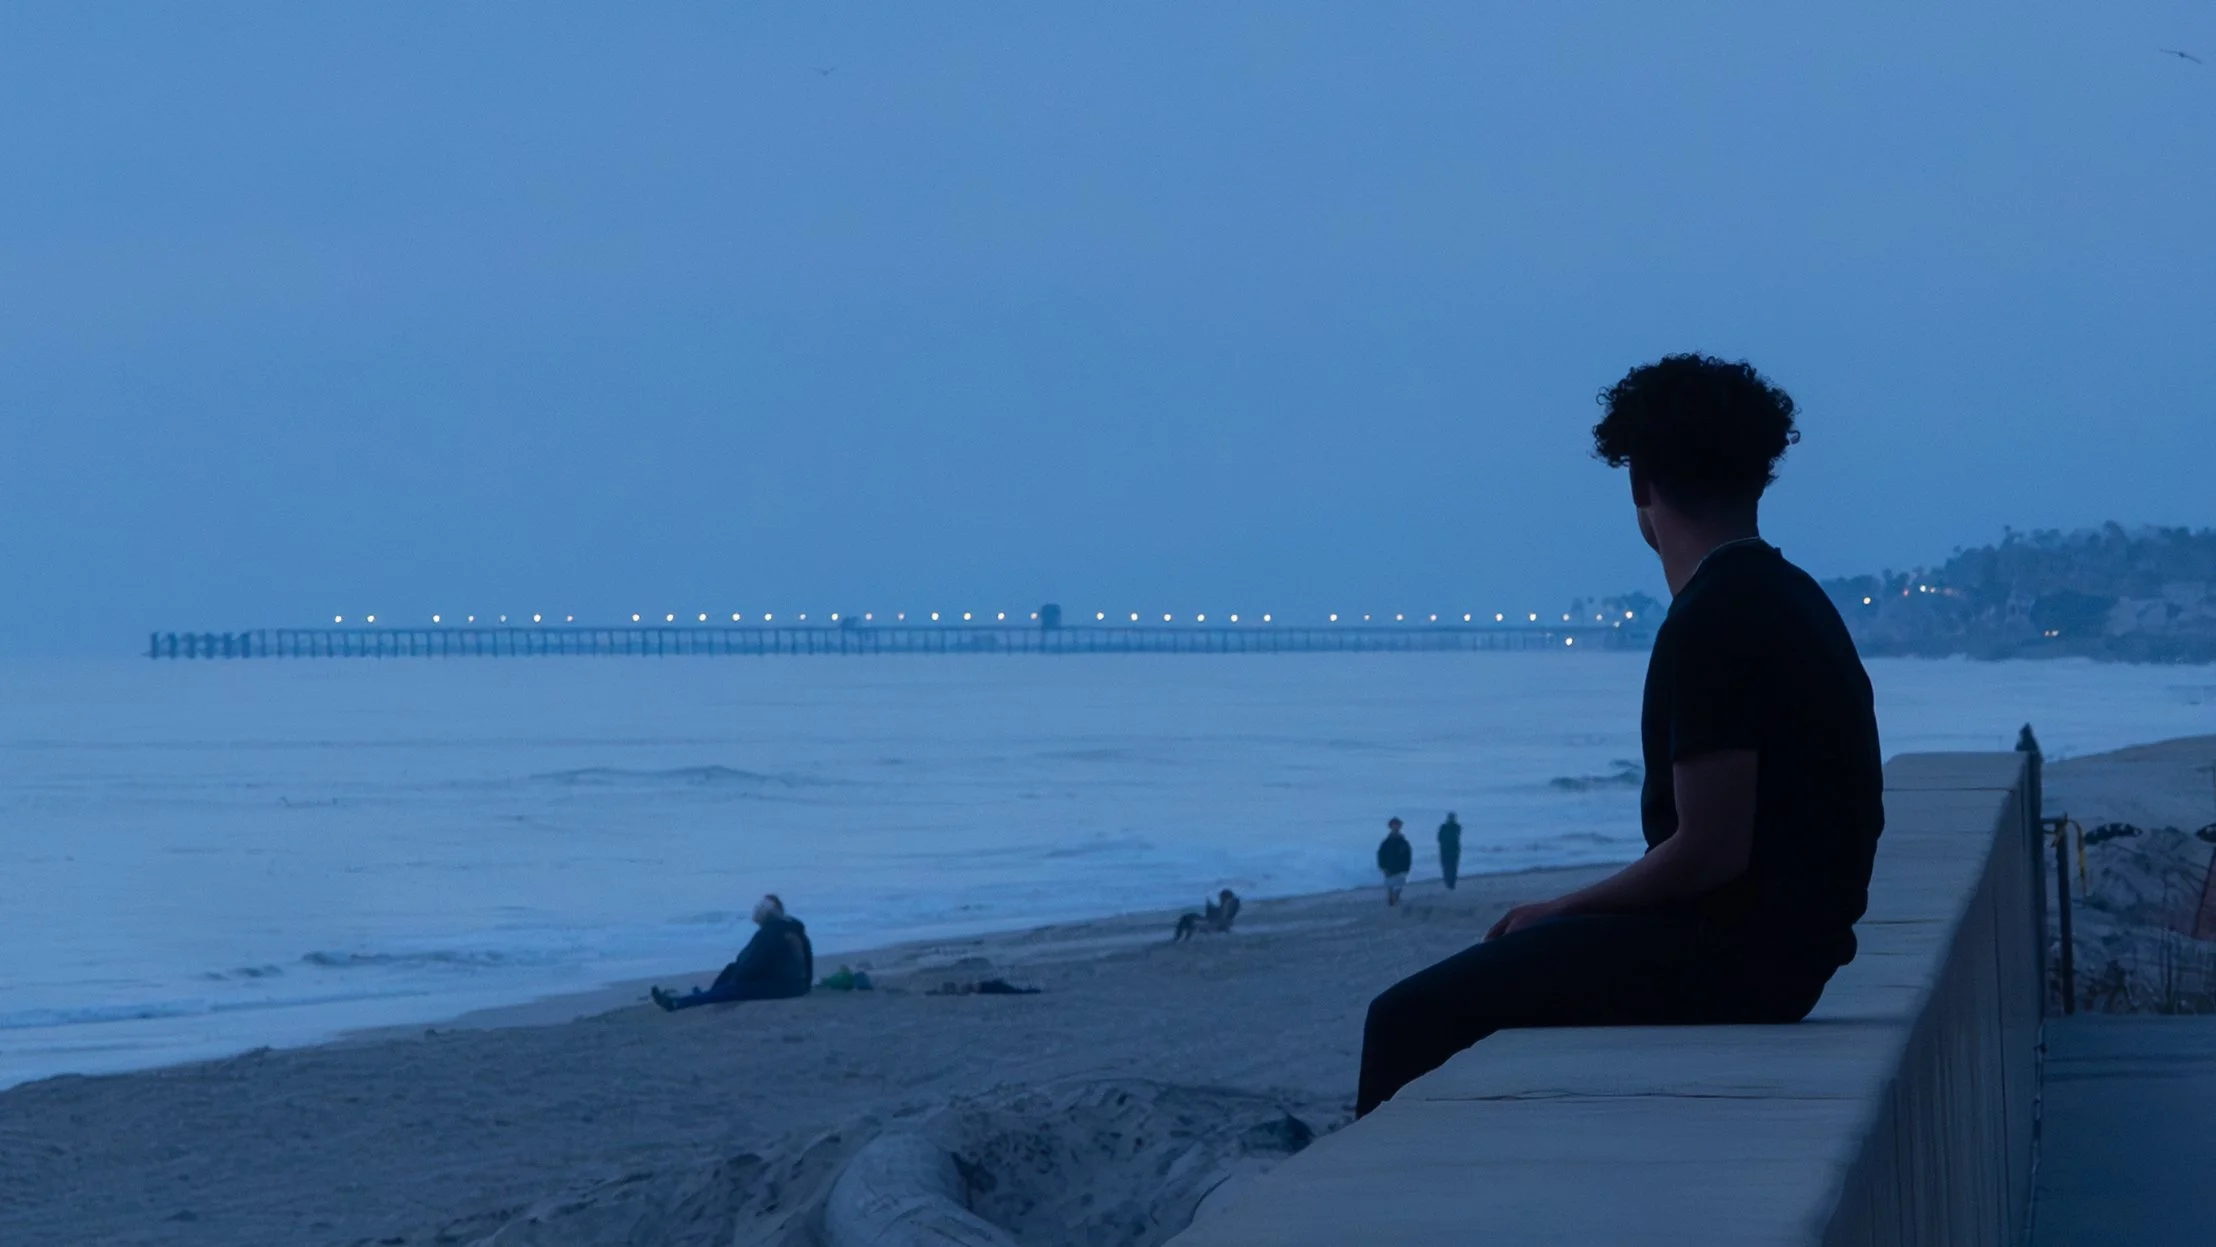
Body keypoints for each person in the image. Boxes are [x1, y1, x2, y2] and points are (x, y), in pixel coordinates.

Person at [1355, 354, 1884, 1118]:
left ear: (1641, 486)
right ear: (1759, 476)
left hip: (1739, 958)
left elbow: (1712, 848)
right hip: (1792, 949)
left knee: (1402, 1018)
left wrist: (1560, 908)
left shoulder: (1714, 615)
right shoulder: (1793, 596)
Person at [651, 894, 814, 1011]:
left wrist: (737, 980)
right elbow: (808, 960)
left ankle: (679, 1003)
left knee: (732, 987)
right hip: (795, 984)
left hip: (784, 987)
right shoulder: (792, 927)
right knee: (732, 970)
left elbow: (752, 964)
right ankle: (708, 995)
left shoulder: (770, 933)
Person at [1172, 889, 1242, 940]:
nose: (1220, 899)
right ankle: (1180, 937)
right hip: (1210, 922)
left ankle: (1182, 938)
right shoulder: (1225, 907)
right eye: (1220, 897)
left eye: (1221, 897)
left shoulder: (1228, 908)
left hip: (1213, 925)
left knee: (1190, 921)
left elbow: (1223, 922)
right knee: (1187, 917)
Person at [1376, 819, 1413, 906]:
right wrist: (1382, 866)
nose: (1395, 827)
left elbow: (1408, 856)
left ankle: (1395, 899)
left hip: (1401, 868)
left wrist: (1407, 868)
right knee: (1390, 886)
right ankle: (1392, 900)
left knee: (1399, 886)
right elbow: (1381, 855)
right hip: (1389, 868)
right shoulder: (1386, 843)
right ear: (1390, 827)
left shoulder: (1403, 842)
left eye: (1397, 825)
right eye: (1393, 825)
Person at [1437, 812, 1463, 890]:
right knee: (1453, 867)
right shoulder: (1457, 827)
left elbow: (1439, 838)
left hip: (1446, 850)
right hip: (1453, 850)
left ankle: (1449, 883)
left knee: (1447, 867)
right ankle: (1451, 883)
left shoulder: (1444, 827)